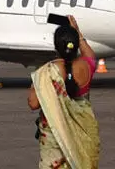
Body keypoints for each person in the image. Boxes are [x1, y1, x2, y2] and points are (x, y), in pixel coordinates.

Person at [27, 16, 100, 169]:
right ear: (74, 46)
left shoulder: (46, 71)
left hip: (55, 139)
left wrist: (37, 85)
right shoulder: (87, 65)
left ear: (56, 47)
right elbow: (90, 55)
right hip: (84, 133)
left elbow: (33, 103)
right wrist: (77, 33)